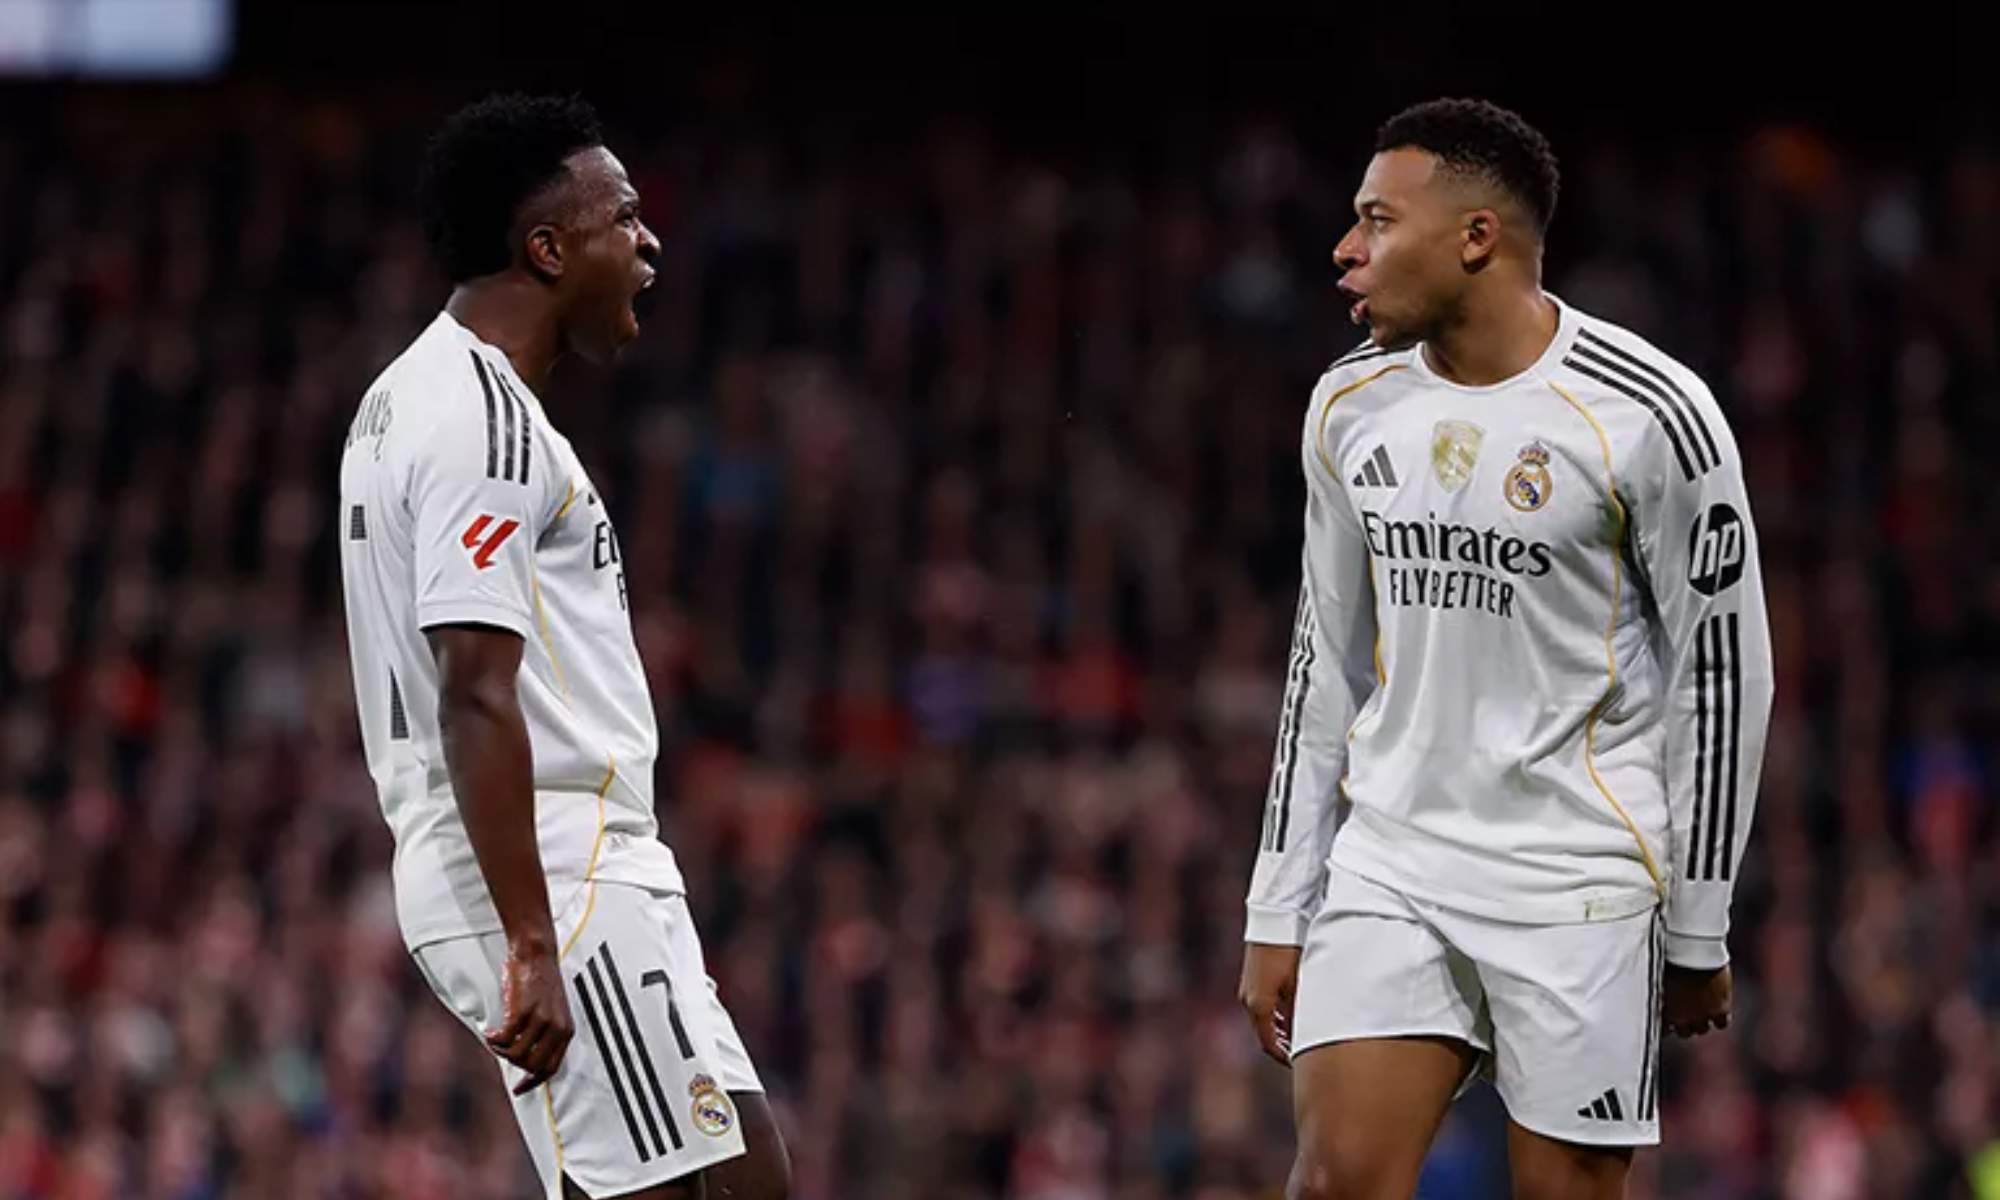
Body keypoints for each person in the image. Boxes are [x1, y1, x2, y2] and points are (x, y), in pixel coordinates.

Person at [1238, 97, 1773, 1200]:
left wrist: (1698, 922)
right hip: (1393, 864)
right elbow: (1320, 661)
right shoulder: (1348, 402)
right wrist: (1274, 906)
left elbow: (1720, 674)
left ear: (1475, 238)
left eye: (1375, 220)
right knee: (1332, 1183)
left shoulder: (1650, 414)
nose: (1344, 250)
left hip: (1577, 880)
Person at [337, 93, 791, 1200]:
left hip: (575, 863)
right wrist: (532, 941)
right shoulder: (479, 421)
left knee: (744, 1180)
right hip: (552, 867)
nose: (648, 242)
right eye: (622, 219)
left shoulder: (407, 400)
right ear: (546, 248)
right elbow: (474, 692)